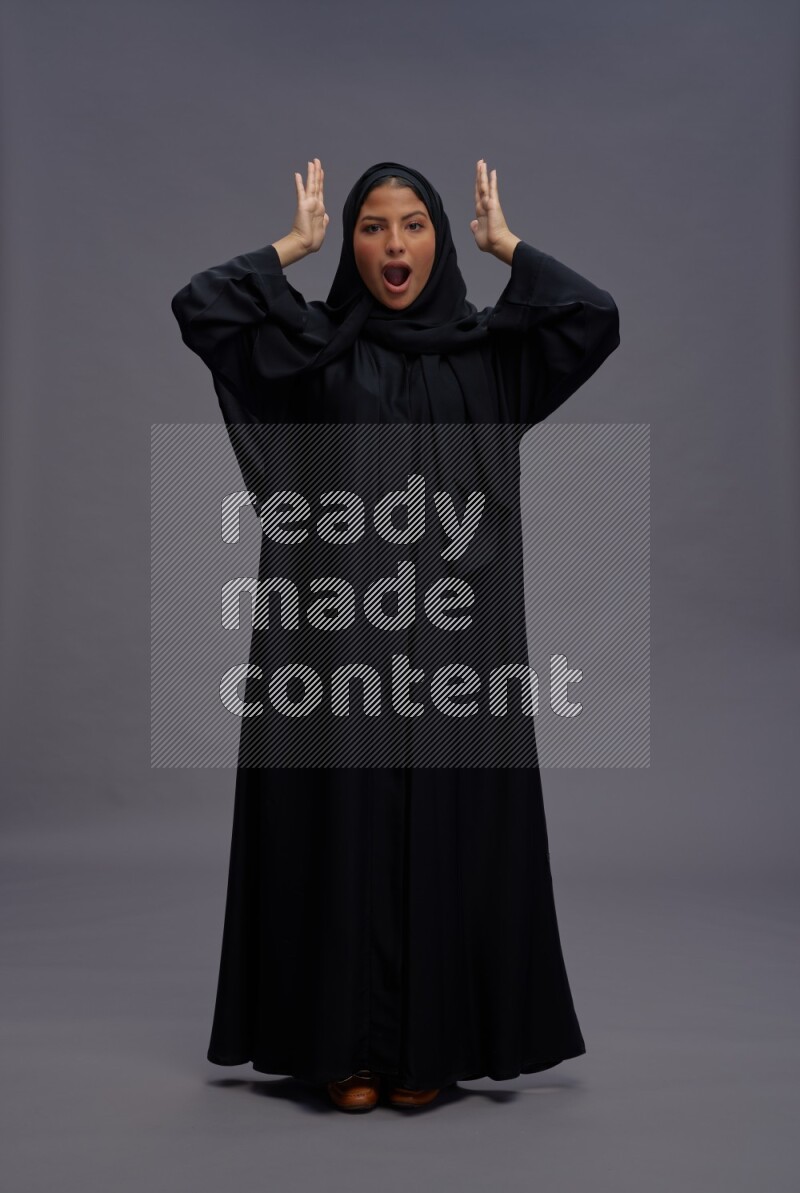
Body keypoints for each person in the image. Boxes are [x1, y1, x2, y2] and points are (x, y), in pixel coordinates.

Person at [171, 158, 620, 1113]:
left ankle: (431, 1049)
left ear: (439, 241)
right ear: (354, 243)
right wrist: (292, 247)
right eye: (373, 227)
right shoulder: (313, 350)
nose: (393, 246)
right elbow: (203, 308)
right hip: (338, 643)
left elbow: (592, 318)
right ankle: (343, 1050)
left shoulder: (489, 355)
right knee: (339, 826)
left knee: (451, 825)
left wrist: (510, 248)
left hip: (460, 648)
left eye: (413, 225)